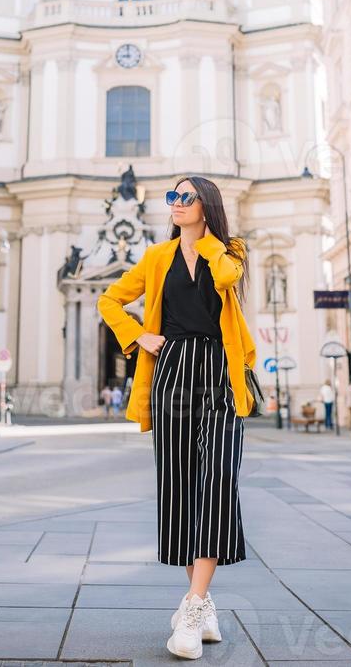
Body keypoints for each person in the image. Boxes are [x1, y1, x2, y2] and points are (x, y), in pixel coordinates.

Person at [97, 175, 257, 660]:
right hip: (172, 374)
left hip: (220, 373)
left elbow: (228, 279)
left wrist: (201, 238)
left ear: (206, 205)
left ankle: (191, 608)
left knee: (218, 480)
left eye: (186, 197)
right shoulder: (154, 258)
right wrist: (138, 336)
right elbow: (109, 300)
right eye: (172, 197)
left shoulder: (230, 250)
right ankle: (202, 605)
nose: (176, 204)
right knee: (181, 485)